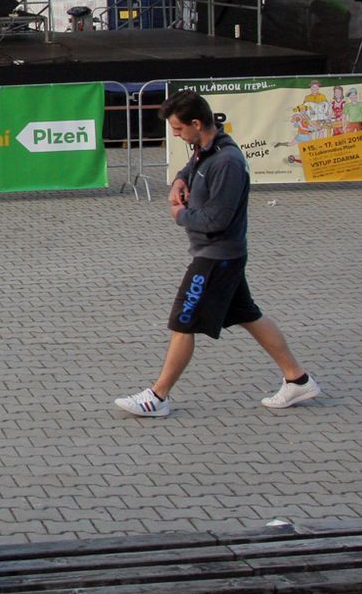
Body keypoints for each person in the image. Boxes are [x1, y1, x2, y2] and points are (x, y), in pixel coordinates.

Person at [113, 90, 323, 417]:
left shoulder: (228, 162)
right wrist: (181, 180)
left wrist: (181, 216)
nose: (176, 135)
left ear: (197, 123)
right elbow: (194, 164)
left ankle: (157, 397)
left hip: (217, 257)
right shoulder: (207, 147)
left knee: (183, 321)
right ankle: (298, 380)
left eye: (179, 129)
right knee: (247, 314)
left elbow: (218, 218)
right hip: (222, 255)